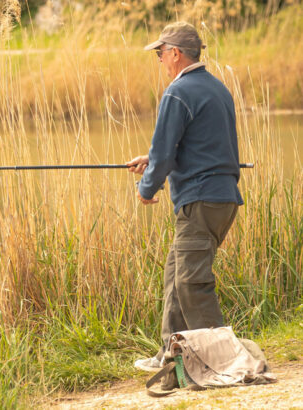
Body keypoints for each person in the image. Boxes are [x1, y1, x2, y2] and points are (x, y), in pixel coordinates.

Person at [127, 21, 244, 372]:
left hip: (200, 200)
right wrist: (153, 161)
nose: (160, 60)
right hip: (220, 199)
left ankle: (226, 362)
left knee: (192, 283)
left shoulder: (178, 93)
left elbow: (164, 152)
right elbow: (200, 145)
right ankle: (171, 355)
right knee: (176, 276)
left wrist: (147, 187)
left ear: (176, 53)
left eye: (161, 54)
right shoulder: (216, 88)